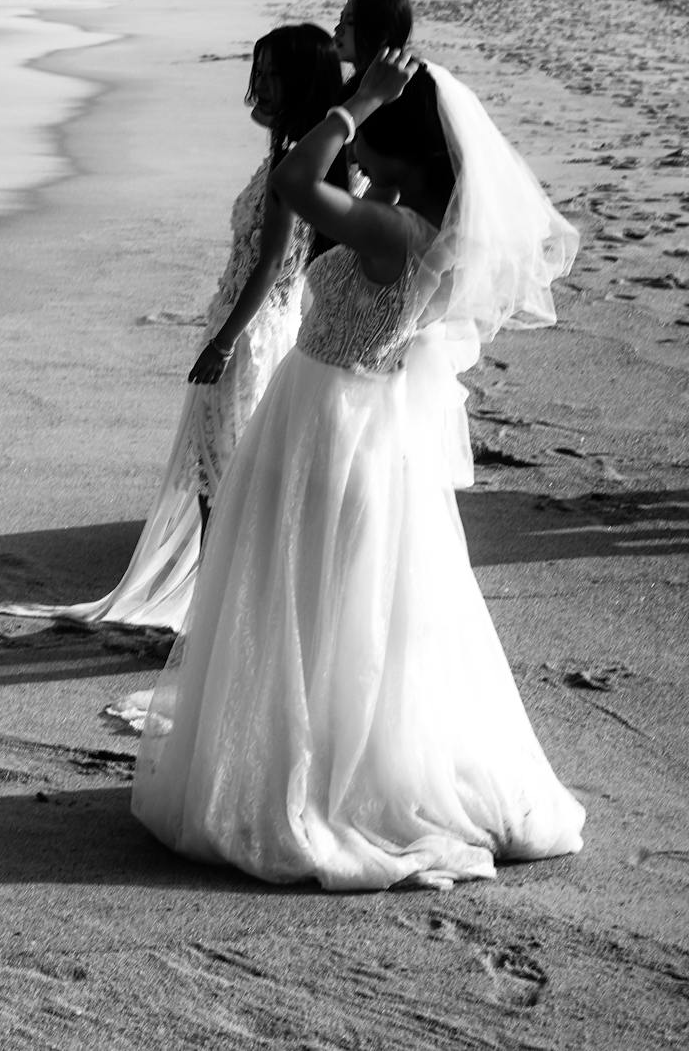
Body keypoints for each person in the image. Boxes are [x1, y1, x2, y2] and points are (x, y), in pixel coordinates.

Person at [130, 48, 586, 890]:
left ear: (398, 148)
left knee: (308, 596)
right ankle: (305, 754)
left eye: (373, 136)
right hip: (339, 416)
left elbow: (296, 185)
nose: (356, 145)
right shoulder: (409, 220)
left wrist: (357, 103)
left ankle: (309, 779)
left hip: (329, 425)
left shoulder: (397, 231)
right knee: (322, 604)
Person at [0, 24, 341, 635]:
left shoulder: (295, 161)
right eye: (255, 73)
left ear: (303, 82)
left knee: (223, 482)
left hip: (251, 333)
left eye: (272, 76)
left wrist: (224, 341)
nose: (258, 87)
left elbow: (270, 264)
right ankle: (224, 618)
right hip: (259, 325)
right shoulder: (298, 153)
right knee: (225, 478)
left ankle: (216, 625)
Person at [334, 0, 413, 81]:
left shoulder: (400, 91)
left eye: (350, 22)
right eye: (340, 20)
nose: (337, 29)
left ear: (382, 34)